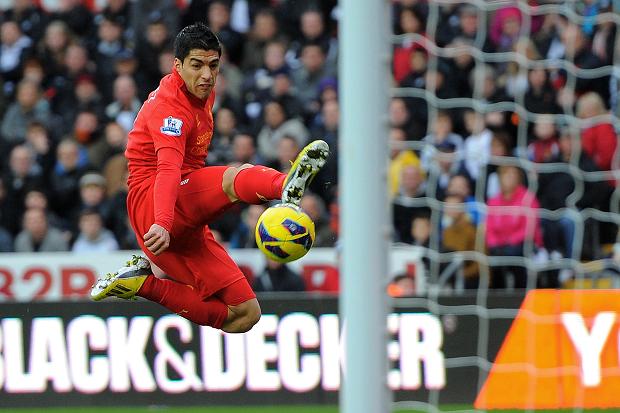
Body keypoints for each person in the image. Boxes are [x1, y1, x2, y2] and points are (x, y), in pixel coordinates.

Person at [90, 23, 329, 334]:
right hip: (155, 204)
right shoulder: (170, 110)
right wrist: (161, 221)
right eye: (197, 65)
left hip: (180, 218)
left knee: (244, 315)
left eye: (213, 65)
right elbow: (168, 168)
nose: (206, 74)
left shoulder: (203, 91)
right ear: (177, 66)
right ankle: (285, 186)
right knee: (231, 180)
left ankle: (142, 284)